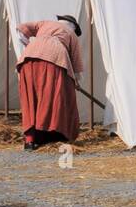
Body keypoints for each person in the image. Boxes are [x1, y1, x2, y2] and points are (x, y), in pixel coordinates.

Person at [16, 14, 85, 151]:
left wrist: (33, 45)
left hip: (28, 57)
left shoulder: (44, 23)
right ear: (73, 27)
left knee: (31, 99)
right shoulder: (71, 34)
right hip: (54, 59)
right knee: (54, 98)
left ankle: (30, 140)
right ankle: (51, 135)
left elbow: (20, 29)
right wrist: (76, 82)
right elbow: (76, 66)